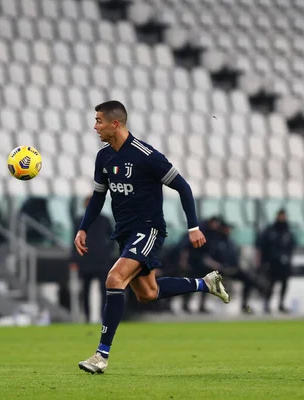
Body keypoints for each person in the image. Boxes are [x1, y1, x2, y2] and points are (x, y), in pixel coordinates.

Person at [75, 101, 230, 374]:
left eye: (98, 120)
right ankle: (205, 284)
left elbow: (183, 187)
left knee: (114, 278)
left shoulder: (146, 155)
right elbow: (99, 196)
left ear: (115, 124)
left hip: (148, 228)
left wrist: (193, 226)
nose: (95, 126)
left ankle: (101, 356)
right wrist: (83, 227)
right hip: (124, 232)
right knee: (148, 293)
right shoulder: (104, 157)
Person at [69, 195, 115, 322]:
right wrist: (73, 260)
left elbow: (113, 238)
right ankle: (87, 316)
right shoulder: (80, 221)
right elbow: (74, 241)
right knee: (84, 291)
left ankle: (103, 316)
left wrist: (107, 252)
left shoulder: (105, 220)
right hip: (85, 260)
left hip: (101, 261)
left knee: (104, 290)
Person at [256, 209, 297, 313]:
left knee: (284, 283)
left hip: (284, 263)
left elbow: (292, 247)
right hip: (272, 263)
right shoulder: (270, 231)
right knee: (271, 284)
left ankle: (281, 304)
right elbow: (262, 247)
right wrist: (262, 262)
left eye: (283, 216)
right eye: (280, 216)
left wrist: (287, 258)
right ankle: (267, 304)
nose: (282, 218)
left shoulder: (288, 232)